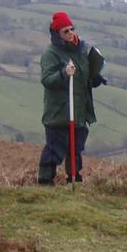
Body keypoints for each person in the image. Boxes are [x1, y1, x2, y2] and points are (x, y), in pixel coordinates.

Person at [37, 11, 104, 184]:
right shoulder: (51, 54)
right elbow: (47, 80)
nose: (70, 33)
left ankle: (74, 178)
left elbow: (84, 73)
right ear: (57, 33)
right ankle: (45, 182)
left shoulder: (81, 49)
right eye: (65, 31)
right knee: (54, 148)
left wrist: (93, 78)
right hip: (59, 111)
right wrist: (64, 74)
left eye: (71, 29)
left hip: (79, 109)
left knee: (76, 148)